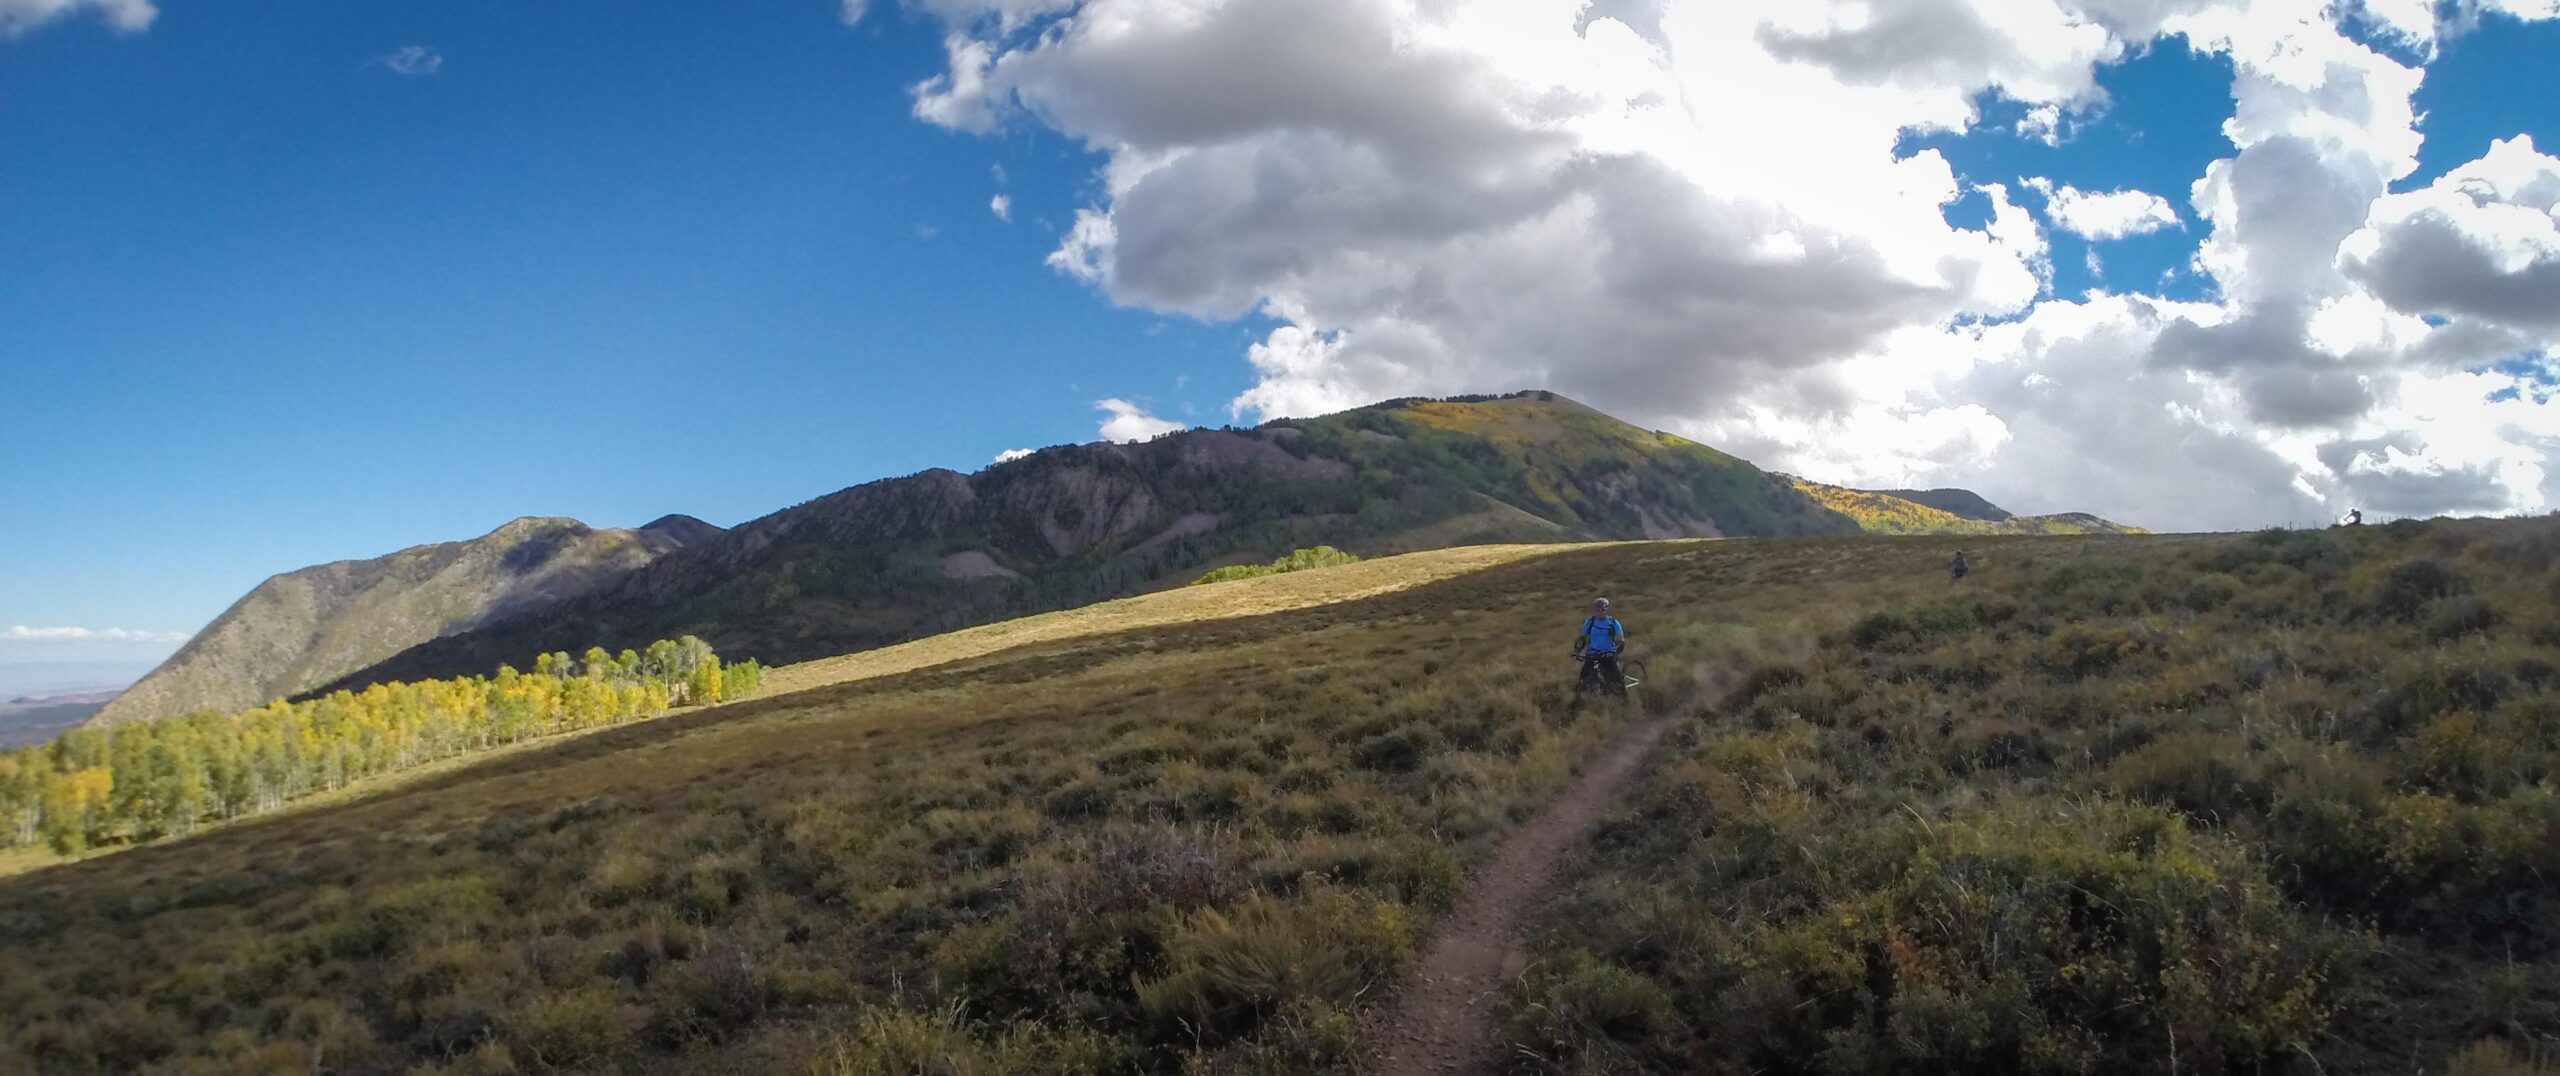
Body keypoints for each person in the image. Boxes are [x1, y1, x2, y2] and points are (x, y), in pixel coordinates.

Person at [1572, 597, 1628, 698]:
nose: (1600, 612)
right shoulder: (1591, 622)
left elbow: (1620, 640)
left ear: (1607, 609)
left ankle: (1625, 700)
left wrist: (1616, 651)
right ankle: (1577, 701)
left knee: (1617, 680)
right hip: (1592, 654)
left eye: (1602, 609)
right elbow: (1582, 638)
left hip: (1608, 654)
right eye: (1597, 610)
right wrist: (1577, 650)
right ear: (1594, 610)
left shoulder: (1613, 623)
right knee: (1582, 680)